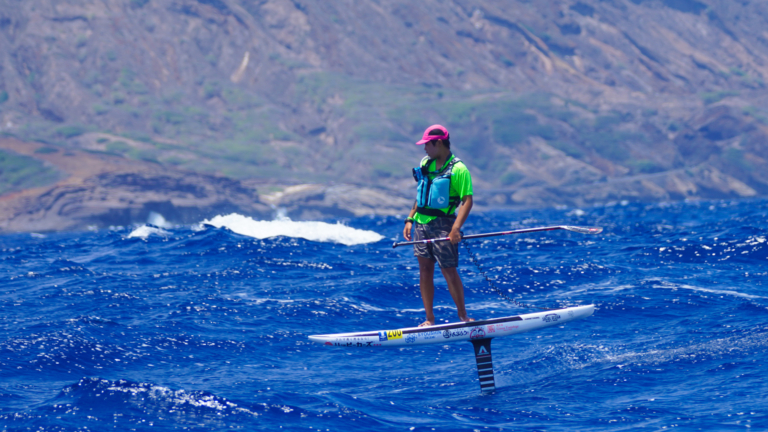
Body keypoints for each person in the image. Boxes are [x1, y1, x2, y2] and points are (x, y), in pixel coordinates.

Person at [403, 124, 474, 327]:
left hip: (444, 225)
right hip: (421, 223)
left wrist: (455, 228)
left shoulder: (459, 169)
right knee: (425, 270)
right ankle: (429, 319)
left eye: (428, 144)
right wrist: (410, 219)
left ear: (439, 143)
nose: (425, 148)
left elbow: (467, 201)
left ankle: (463, 316)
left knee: (448, 270)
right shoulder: (426, 163)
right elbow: (422, 193)